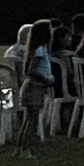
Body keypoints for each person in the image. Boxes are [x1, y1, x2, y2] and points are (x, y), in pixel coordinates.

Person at [14, 19, 56, 152]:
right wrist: (46, 79)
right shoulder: (39, 50)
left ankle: (19, 148)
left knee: (28, 119)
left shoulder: (38, 48)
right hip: (34, 88)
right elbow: (31, 70)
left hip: (33, 88)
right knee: (32, 121)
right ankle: (25, 149)